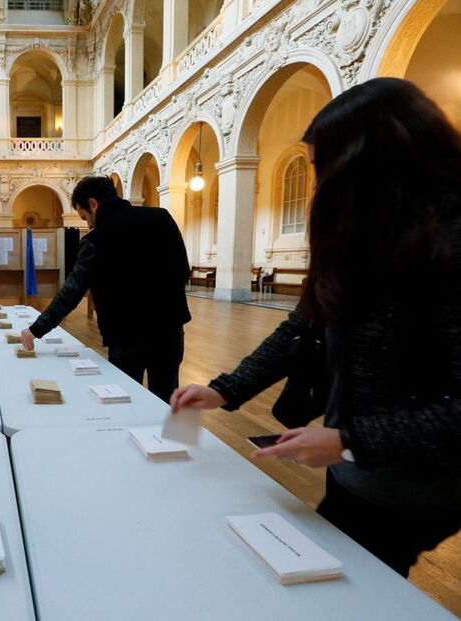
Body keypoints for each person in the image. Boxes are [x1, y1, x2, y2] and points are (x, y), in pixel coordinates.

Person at [170, 78, 461, 577]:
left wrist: (348, 440)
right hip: (358, 467)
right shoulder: (363, 238)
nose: (314, 184)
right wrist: (224, 390)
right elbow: (300, 328)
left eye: (318, 166)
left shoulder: (448, 248)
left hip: (416, 482)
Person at [20, 176, 191, 401]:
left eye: (85, 217)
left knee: (125, 399)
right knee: (166, 401)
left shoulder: (97, 239)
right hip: (169, 331)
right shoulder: (162, 218)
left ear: (93, 204)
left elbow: (71, 292)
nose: (88, 225)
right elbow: (183, 270)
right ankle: (166, 437)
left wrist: (36, 329)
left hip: (126, 336)